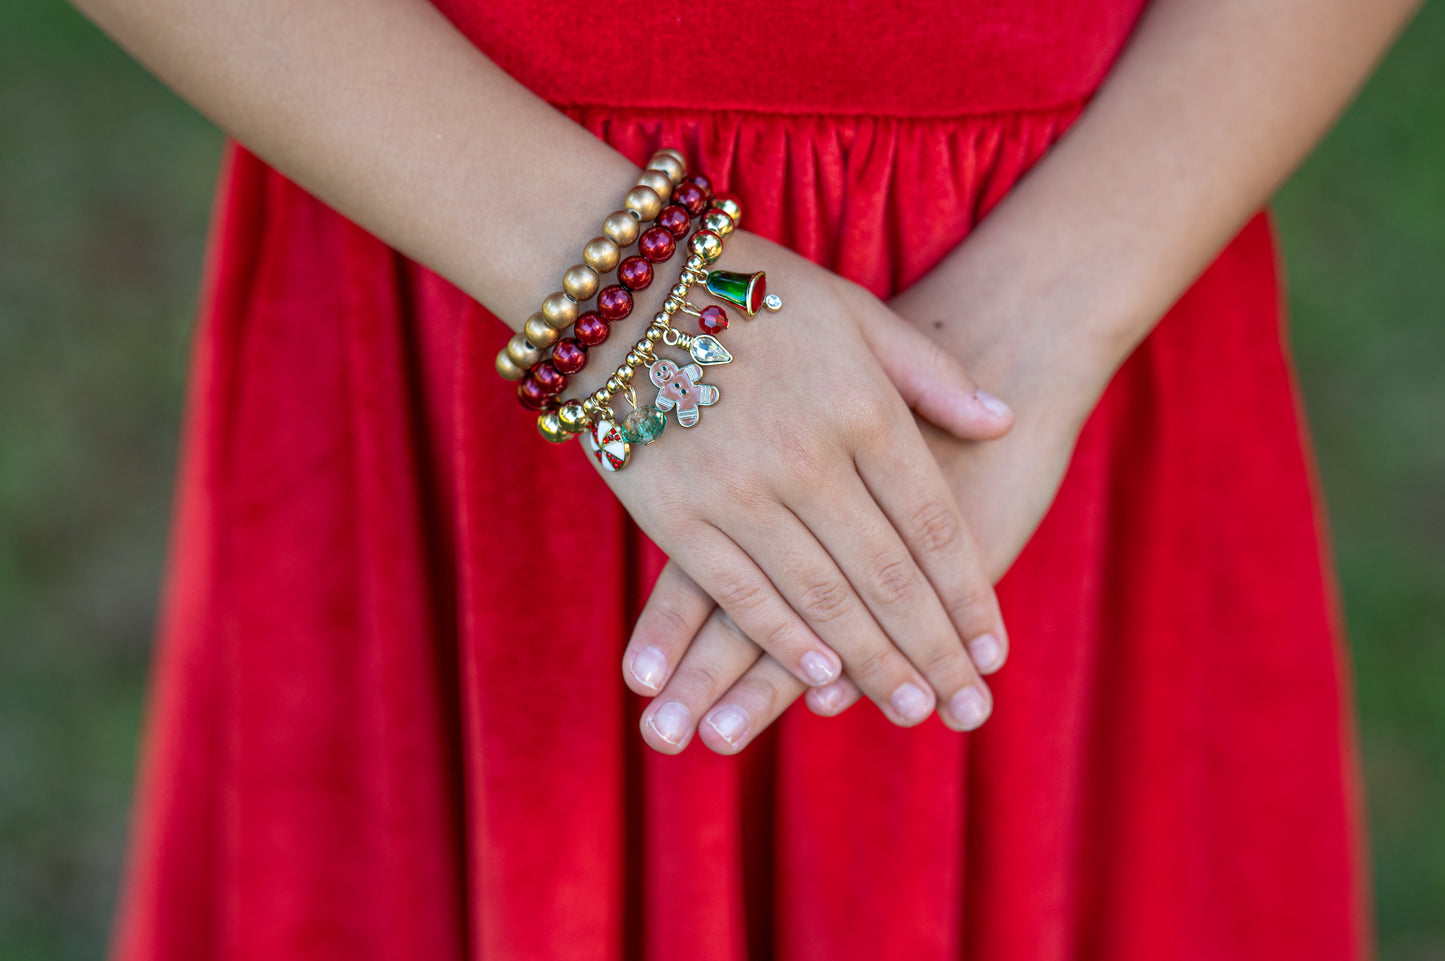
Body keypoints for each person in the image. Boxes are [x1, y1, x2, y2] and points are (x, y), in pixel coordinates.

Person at [72, 0, 1414, 957]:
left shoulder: (1047, 331)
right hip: (469, 229)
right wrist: (628, 292)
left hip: (1082, 269)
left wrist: (1045, 320)